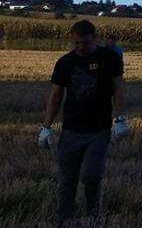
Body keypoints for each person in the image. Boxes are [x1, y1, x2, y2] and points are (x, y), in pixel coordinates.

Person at [38, 20, 129, 225]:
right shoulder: (64, 63)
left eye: (85, 43)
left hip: (98, 130)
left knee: (91, 175)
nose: (80, 47)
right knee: (66, 179)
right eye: (76, 43)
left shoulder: (110, 58)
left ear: (94, 39)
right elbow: (55, 95)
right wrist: (45, 127)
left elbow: (118, 89)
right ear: (72, 39)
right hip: (71, 130)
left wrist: (121, 119)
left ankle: (93, 213)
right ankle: (66, 218)